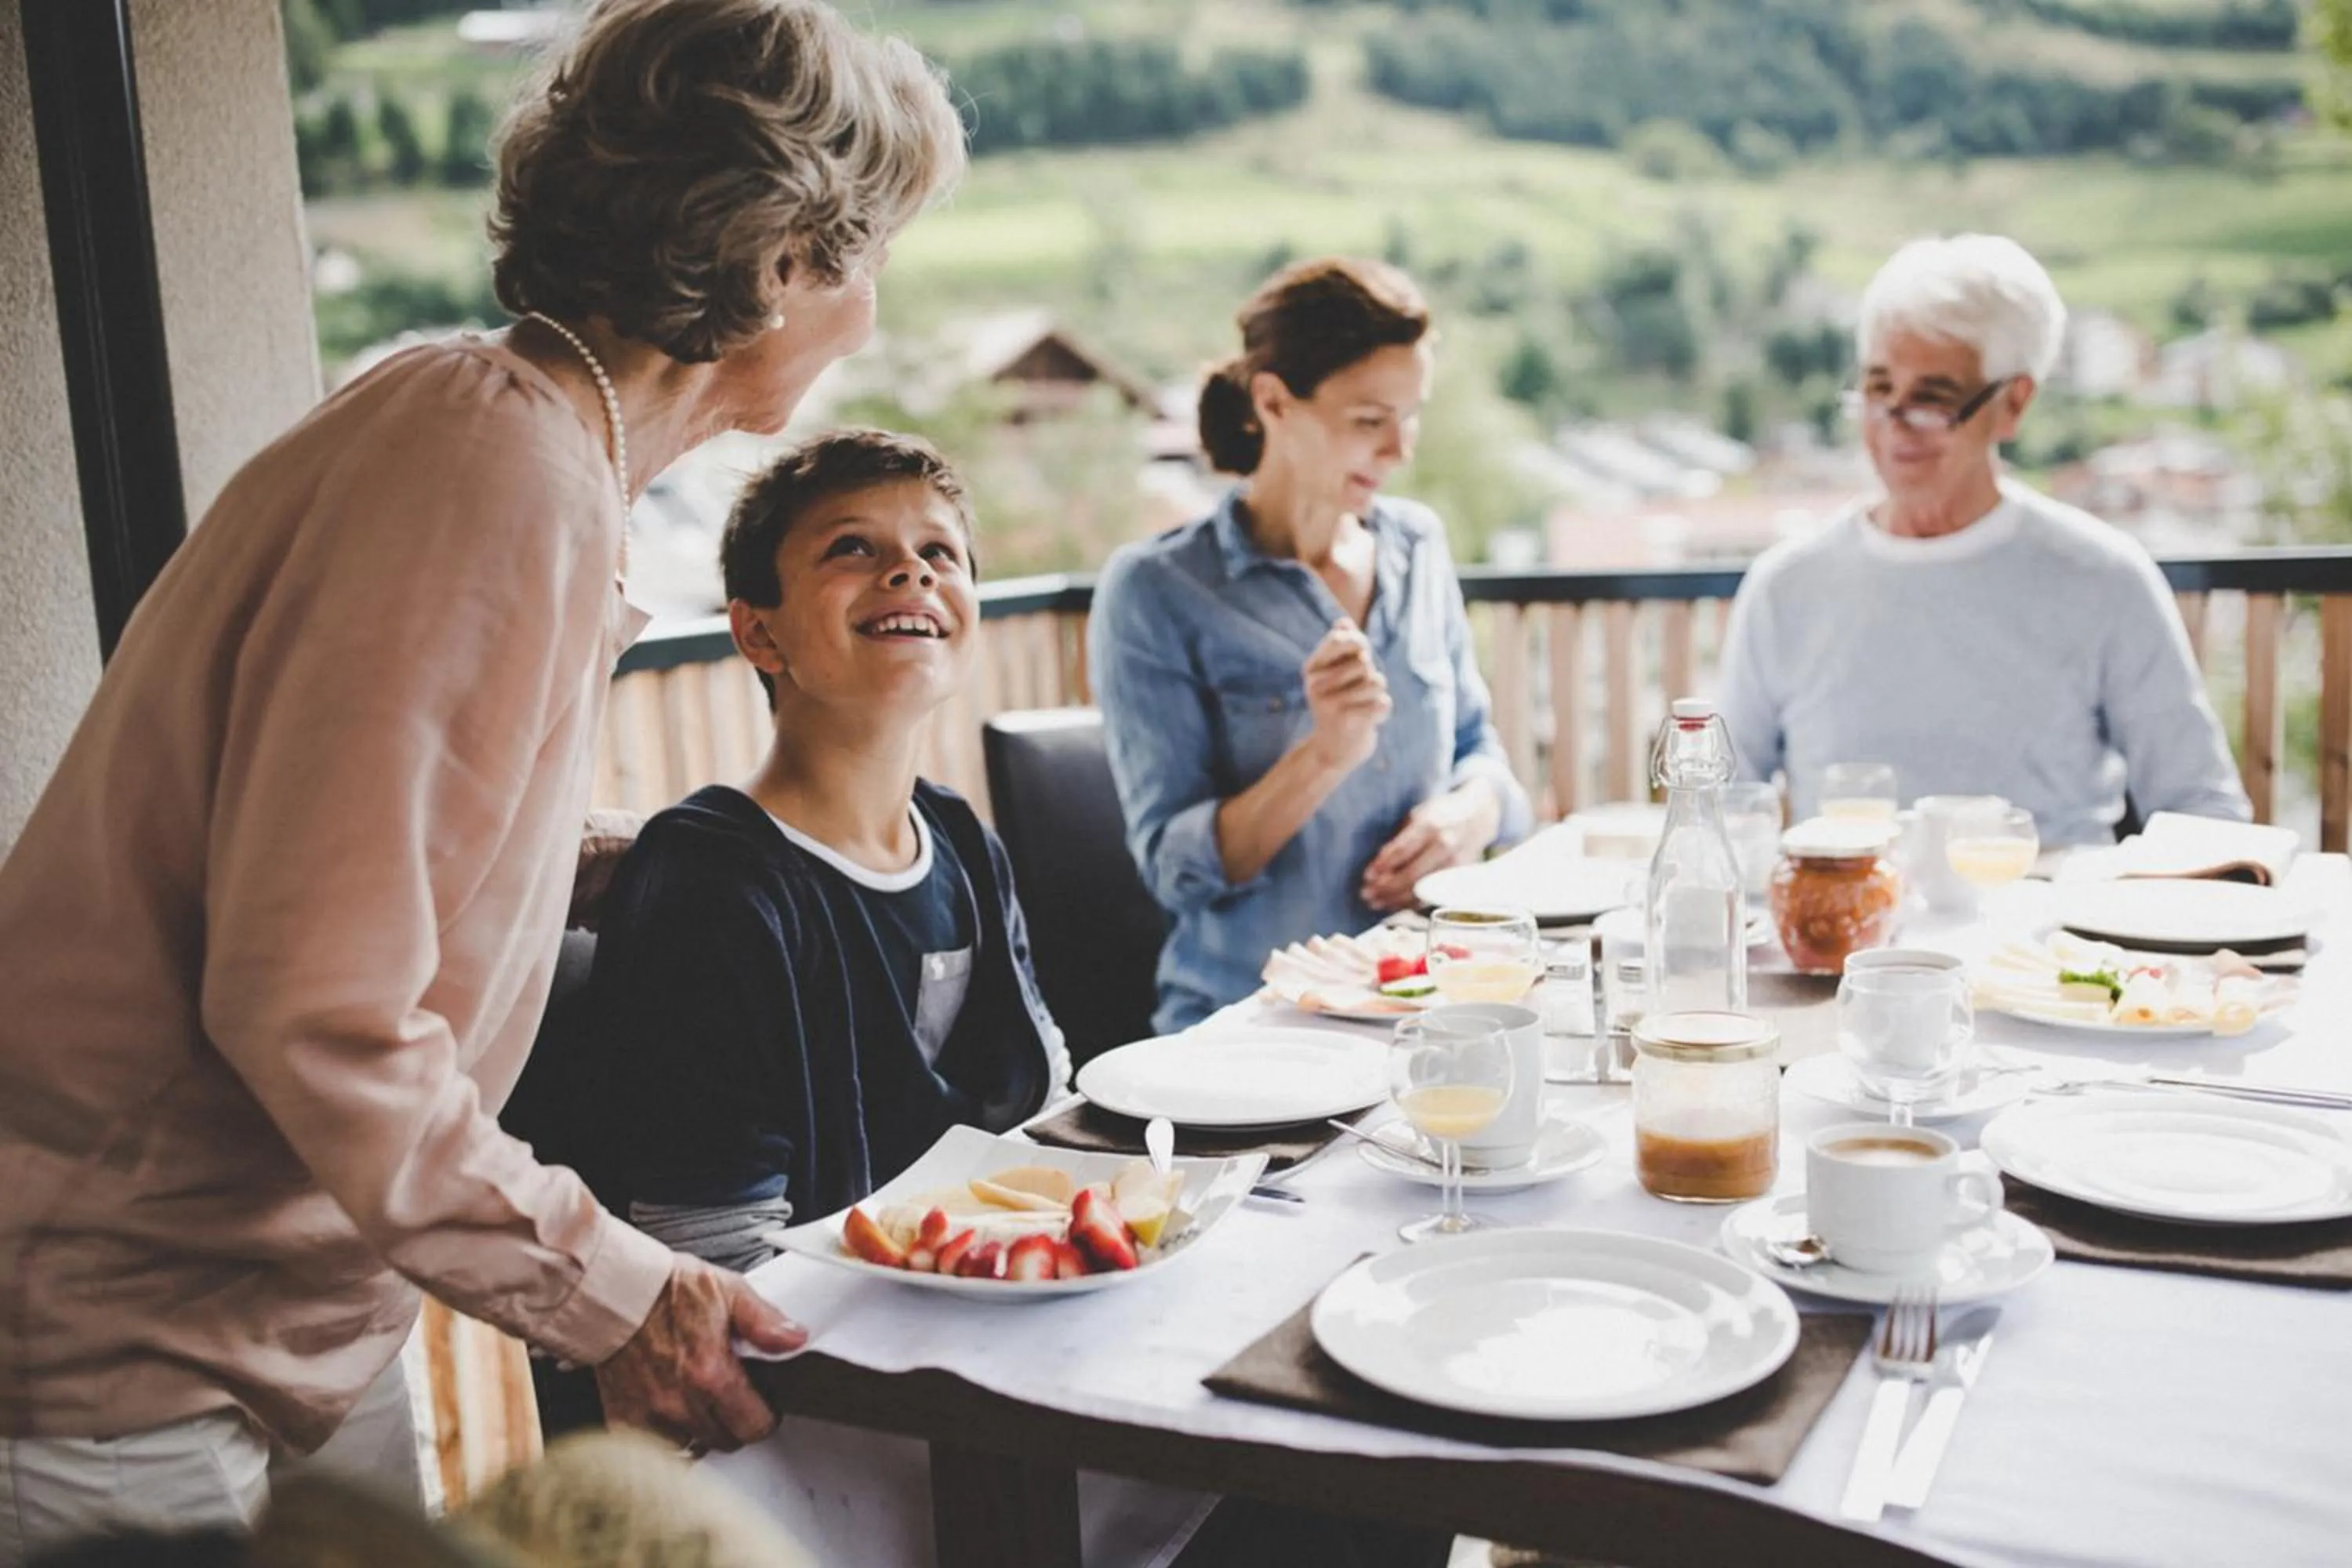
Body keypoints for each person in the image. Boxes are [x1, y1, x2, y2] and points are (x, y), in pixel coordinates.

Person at [0, 0, 965, 1555]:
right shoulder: (488, 467)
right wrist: (617, 1295)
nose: (870, 305)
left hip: (261, 1343)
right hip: (122, 1358)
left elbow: (367, 851)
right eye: (869, 253)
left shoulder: (499, 433)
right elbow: (315, 1002)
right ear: (783, 261)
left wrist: (643, 857)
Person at [557, 432, 1069, 1267]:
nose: (912, 571)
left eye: (939, 549)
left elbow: (1044, 1097)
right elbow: (713, 1252)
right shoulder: (713, 885)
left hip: (991, 1288)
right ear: (760, 634)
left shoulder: (961, 838)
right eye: (852, 547)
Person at [1091, 258, 1532, 1032]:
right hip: (1252, 1029)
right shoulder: (1155, 591)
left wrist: (1472, 810)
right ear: (1273, 402)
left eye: (1411, 415)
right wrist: (1324, 753)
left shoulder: (1419, 544)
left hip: (1425, 1016)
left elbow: (1481, 751)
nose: (1399, 449)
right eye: (1368, 420)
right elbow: (1177, 872)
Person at [1715, 234, 2250, 846]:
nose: (1894, 425)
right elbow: (1722, 806)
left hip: (2051, 935)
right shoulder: (1786, 585)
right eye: (1877, 390)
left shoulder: (2104, 577)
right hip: (1844, 930)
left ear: (2012, 404)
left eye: (1933, 400)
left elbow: (2201, 806)